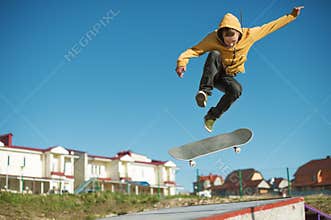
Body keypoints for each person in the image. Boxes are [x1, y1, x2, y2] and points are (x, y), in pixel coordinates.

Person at [176, 6, 304, 132]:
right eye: (227, 42)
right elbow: (195, 50)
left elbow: (269, 27)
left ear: (239, 34)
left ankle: (212, 117)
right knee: (214, 53)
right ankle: (204, 92)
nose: (230, 44)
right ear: (221, 36)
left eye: (233, 41)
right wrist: (182, 63)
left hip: (227, 77)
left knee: (236, 90)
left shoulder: (250, 34)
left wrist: (291, 16)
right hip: (214, 72)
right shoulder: (212, 38)